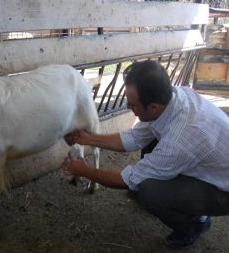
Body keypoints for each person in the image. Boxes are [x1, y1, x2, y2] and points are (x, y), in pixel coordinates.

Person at [62, 60, 229, 248]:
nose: (127, 107)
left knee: (149, 191)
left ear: (153, 107)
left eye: (132, 104)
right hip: (210, 160)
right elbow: (135, 138)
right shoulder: (175, 98)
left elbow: (127, 180)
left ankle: (196, 223)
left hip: (224, 189)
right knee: (152, 144)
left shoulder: (181, 137)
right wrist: (89, 138)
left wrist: (85, 171)